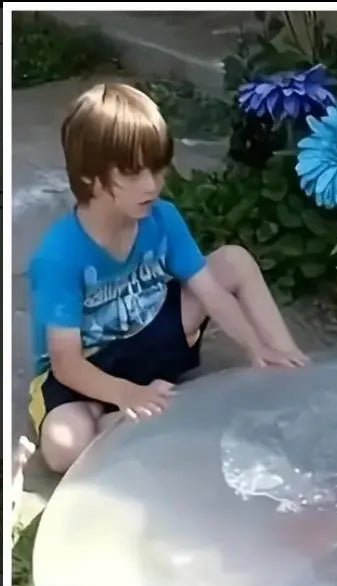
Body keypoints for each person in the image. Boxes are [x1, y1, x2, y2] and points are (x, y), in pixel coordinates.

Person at [27, 82, 309, 474]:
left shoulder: (163, 217)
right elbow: (66, 365)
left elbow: (211, 292)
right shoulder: (59, 256)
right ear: (91, 176)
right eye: (133, 172)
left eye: (158, 168)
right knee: (63, 446)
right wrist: (128, 394)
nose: (153, 184)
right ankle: (158, 415)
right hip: (88, 369)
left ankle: (290, 368)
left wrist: (255, 347)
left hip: (149, 338)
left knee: (233, 261)